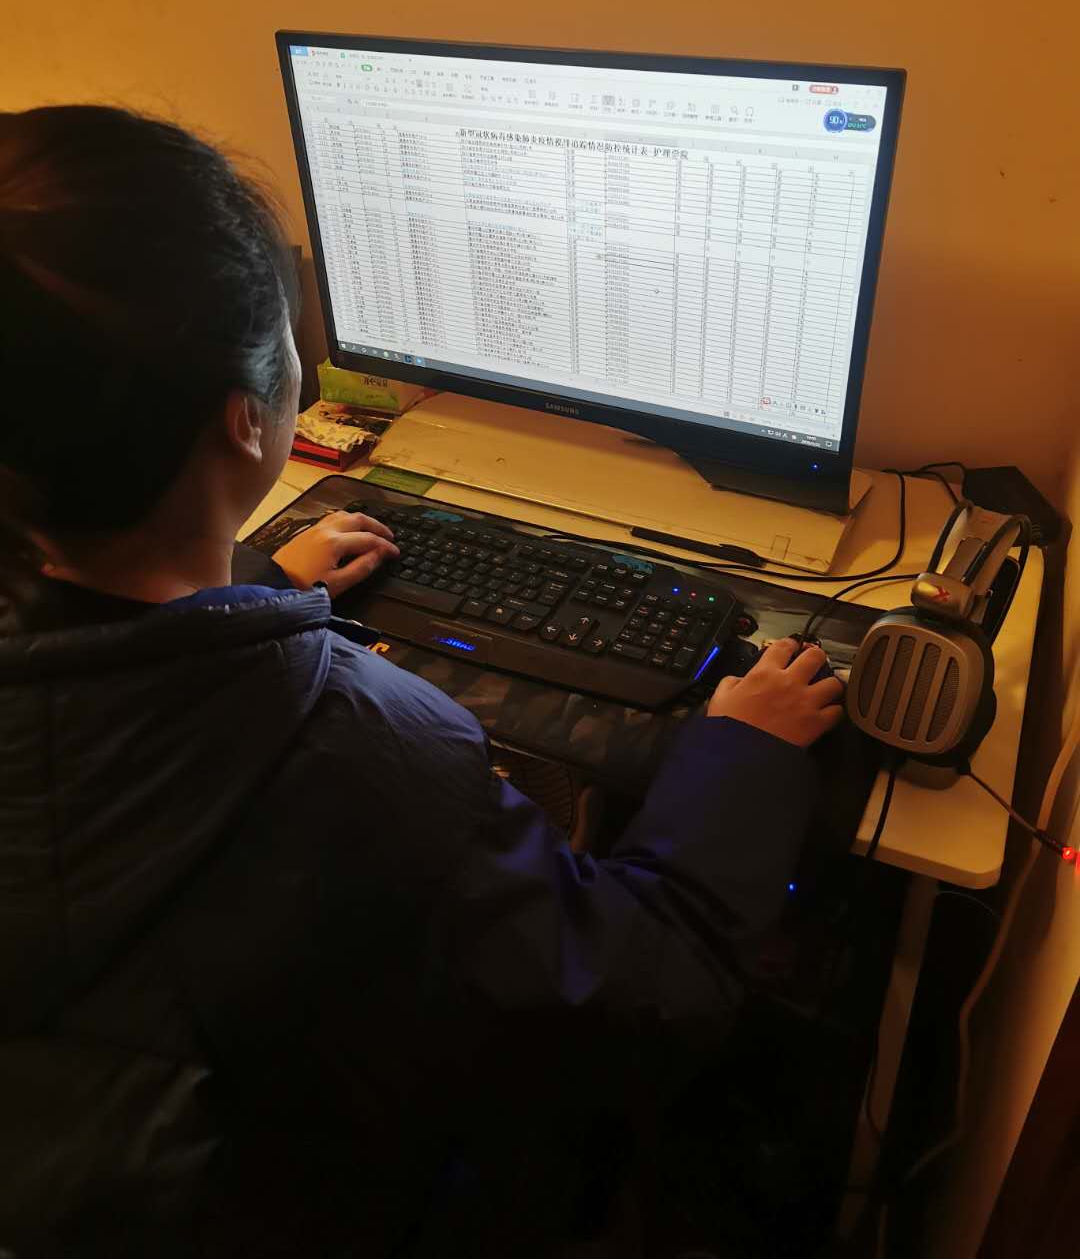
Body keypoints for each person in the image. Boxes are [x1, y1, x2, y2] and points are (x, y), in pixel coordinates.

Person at [0, 106, 845, 1258]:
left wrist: (249, 580)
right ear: (249, 420)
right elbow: (650, 982)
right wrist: (743, 756)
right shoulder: (371, 757)